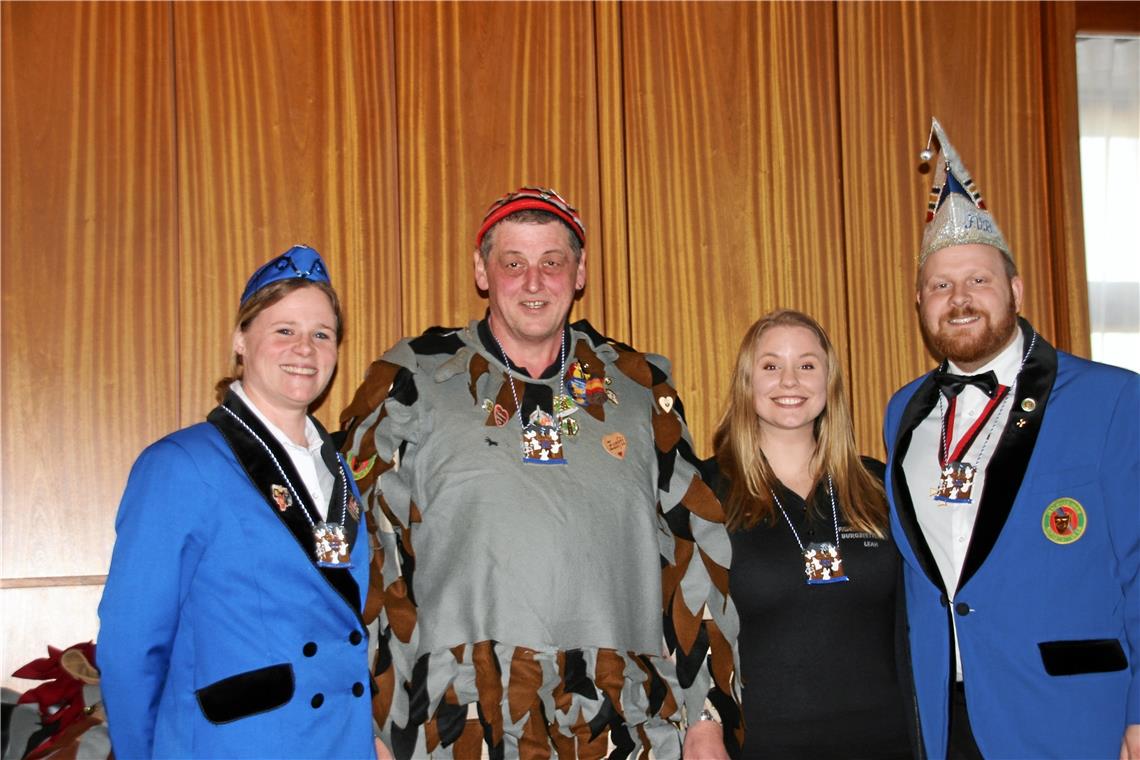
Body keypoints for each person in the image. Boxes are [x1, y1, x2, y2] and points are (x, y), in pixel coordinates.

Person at [340, 187, 742, 759]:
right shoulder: (412, 384)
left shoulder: (637, 389)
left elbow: (693, 551)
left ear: (579, 273)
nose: (534, 282)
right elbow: (368, 558)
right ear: (482, 271)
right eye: (513, 263)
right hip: (462, 723)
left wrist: (705, 722)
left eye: (552, 262)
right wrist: (378, 728)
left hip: (620, 723)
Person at [885, 118, 1140, 759]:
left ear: (1015, 292)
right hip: (948, 720)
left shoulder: (1114, 400)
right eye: (940, 286)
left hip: (1076, 714)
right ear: (919, 302)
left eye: (978, 280)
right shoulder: (902, 414)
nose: (959, 298)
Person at [97, 246, 375, 758]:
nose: (305, 349)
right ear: (241, 341)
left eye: (322, 334)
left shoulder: (336, 468)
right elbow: (131, 644)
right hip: (240, 744)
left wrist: (368, 736)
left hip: (340, 742)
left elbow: (336, 623)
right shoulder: (181, 465)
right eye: (284, 330)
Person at [708, 309, 914, 759]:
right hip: (761, 745)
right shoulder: (705, 493)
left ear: (829, 380)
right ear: (748, 381)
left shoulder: (880, 486)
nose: (789, 381)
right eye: (770, 366)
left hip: (889, 743)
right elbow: (681, 631)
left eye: (806, 365)